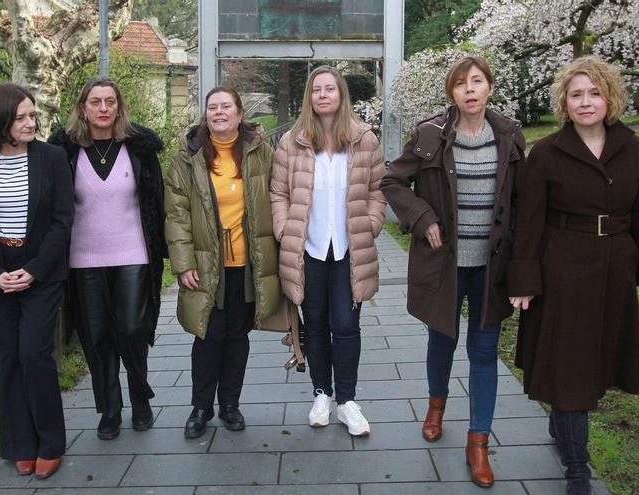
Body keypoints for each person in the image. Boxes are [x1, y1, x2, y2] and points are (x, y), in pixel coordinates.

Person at [507, 56, 639, 494]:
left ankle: (564, 429)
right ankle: (577, 467)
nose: (585, 102)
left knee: (594, 364)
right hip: (562, 271)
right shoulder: (546, 153)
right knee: (569, 369)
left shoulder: (632, 148)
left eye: (594, 93)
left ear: (609, 97)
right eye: (576, 94)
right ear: (564, 101)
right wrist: (523, 280)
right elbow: (529, 223)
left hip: (616, 269)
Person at [381, 56, 526, 487]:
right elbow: (392, 181)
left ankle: (478, 442)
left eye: (478, 81)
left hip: (491, 265)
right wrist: (422, 218)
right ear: (452, 93)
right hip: (444, 264)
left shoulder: (510, 135)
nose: (470, 90)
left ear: (490, 88)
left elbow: (523, 198)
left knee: (484, 353)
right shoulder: (431, 135)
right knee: (441, 339)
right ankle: (436, 405)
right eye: (461, 84)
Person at [0, 83, 73, 479]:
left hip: (40, 273)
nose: (31, 123)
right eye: (21, 117)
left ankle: (50, 442)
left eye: (32, 115)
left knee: (33, 355)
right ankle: (19, 444)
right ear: (0, 122)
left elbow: (63, 221)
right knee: (6, 359)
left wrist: (36, 269)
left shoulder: (53, 158)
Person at [270, 66, 386, 437]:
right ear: (310, 97)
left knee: (347, 325)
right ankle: (321, 393)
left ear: (341, 95)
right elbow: (279, 193)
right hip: (309, 249)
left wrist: (370, 224)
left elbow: (378, 190)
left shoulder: (364, 139)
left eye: (329, 89)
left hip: (351, 249)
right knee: (315, 325)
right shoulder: (292, 141)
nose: (322, 95)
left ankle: (347, 401)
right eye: (316, 89)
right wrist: (284, 229)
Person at [48, 77, 166, 440]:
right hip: (83, 258)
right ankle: (110, 410)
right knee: (97, 337)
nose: (103, 109)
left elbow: (157, 202)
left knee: (132, 329)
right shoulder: (64, 151)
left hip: (133, 253)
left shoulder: (140, 148)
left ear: (119, 106)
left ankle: (140, 398)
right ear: (82, 107)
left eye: (110, 102)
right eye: (95, 102)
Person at [165, 86, 281, 439]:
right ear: (206, 115)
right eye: (212, 107)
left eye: (226, 106)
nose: (219, 112)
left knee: (237, 335)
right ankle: (201, 407)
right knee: (207, 334)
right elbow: (177, 214)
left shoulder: (261, 153)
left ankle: (230, 404)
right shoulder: (187, 157)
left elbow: (279, 197)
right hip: (206, 263)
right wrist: (183, 263)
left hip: (249, 263)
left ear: (240, 114)